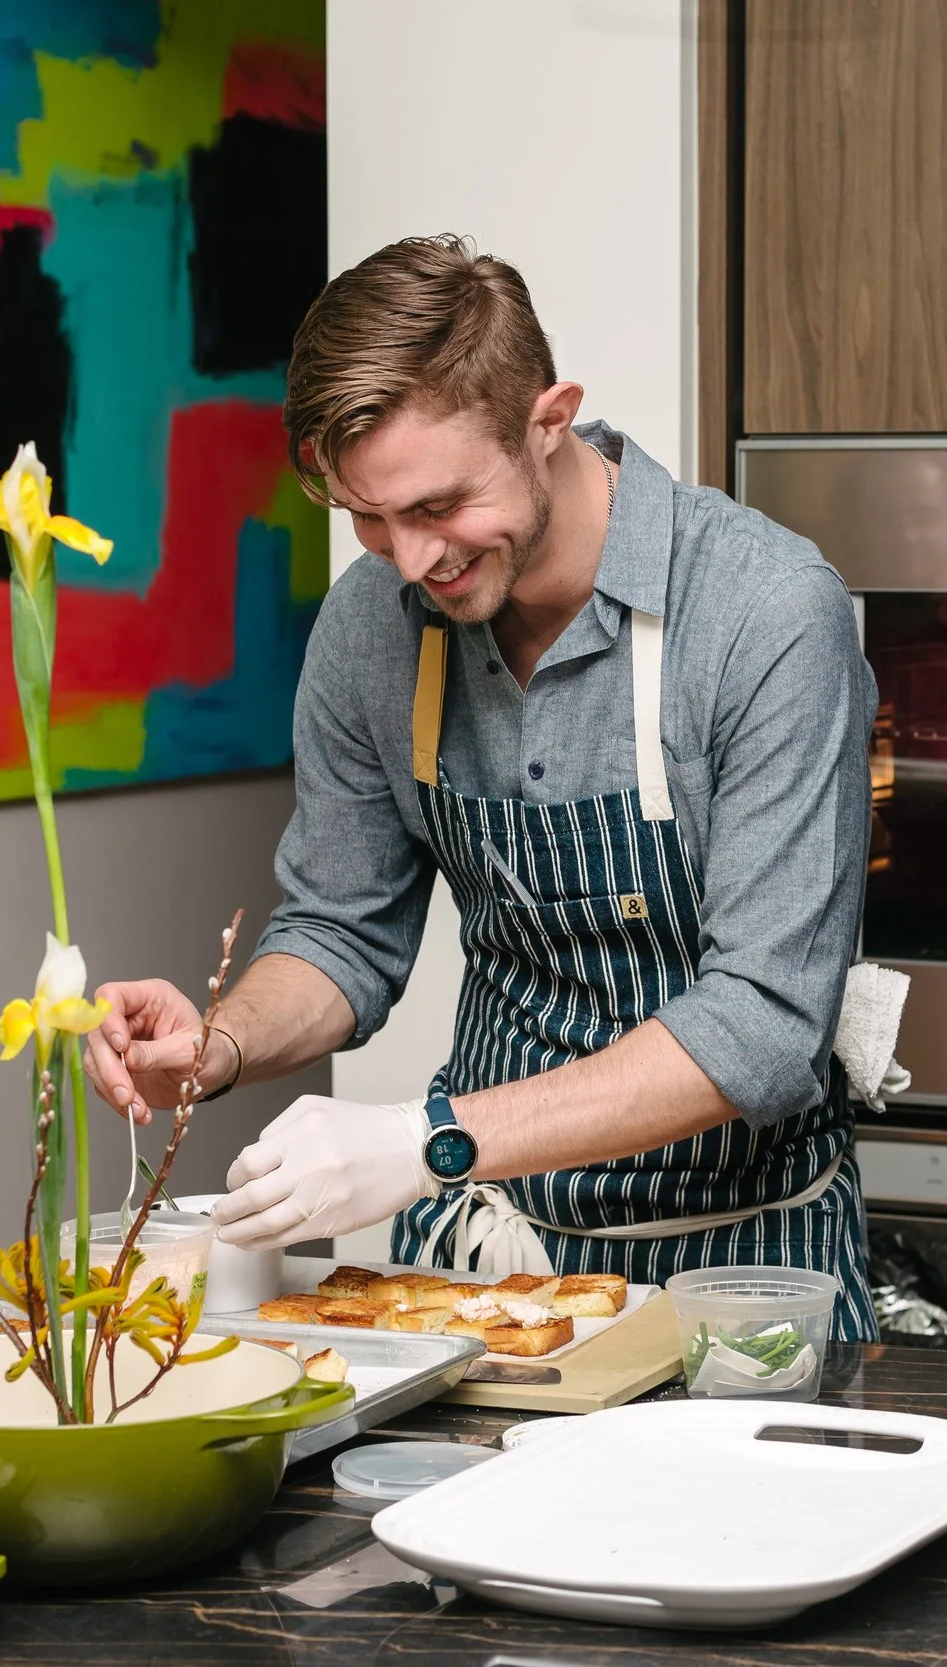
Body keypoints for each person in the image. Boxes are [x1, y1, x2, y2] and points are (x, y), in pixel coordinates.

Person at [83, 234, 884, 1337]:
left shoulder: (761, 614)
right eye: (369, 516)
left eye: (439, 505)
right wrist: (214, 1043)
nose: (409, 561)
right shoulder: (374, 625)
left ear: (548, 420)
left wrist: (422, 1140)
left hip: (738, 1271)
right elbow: (340, 930)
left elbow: (762, 1025)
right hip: (472, 1270)